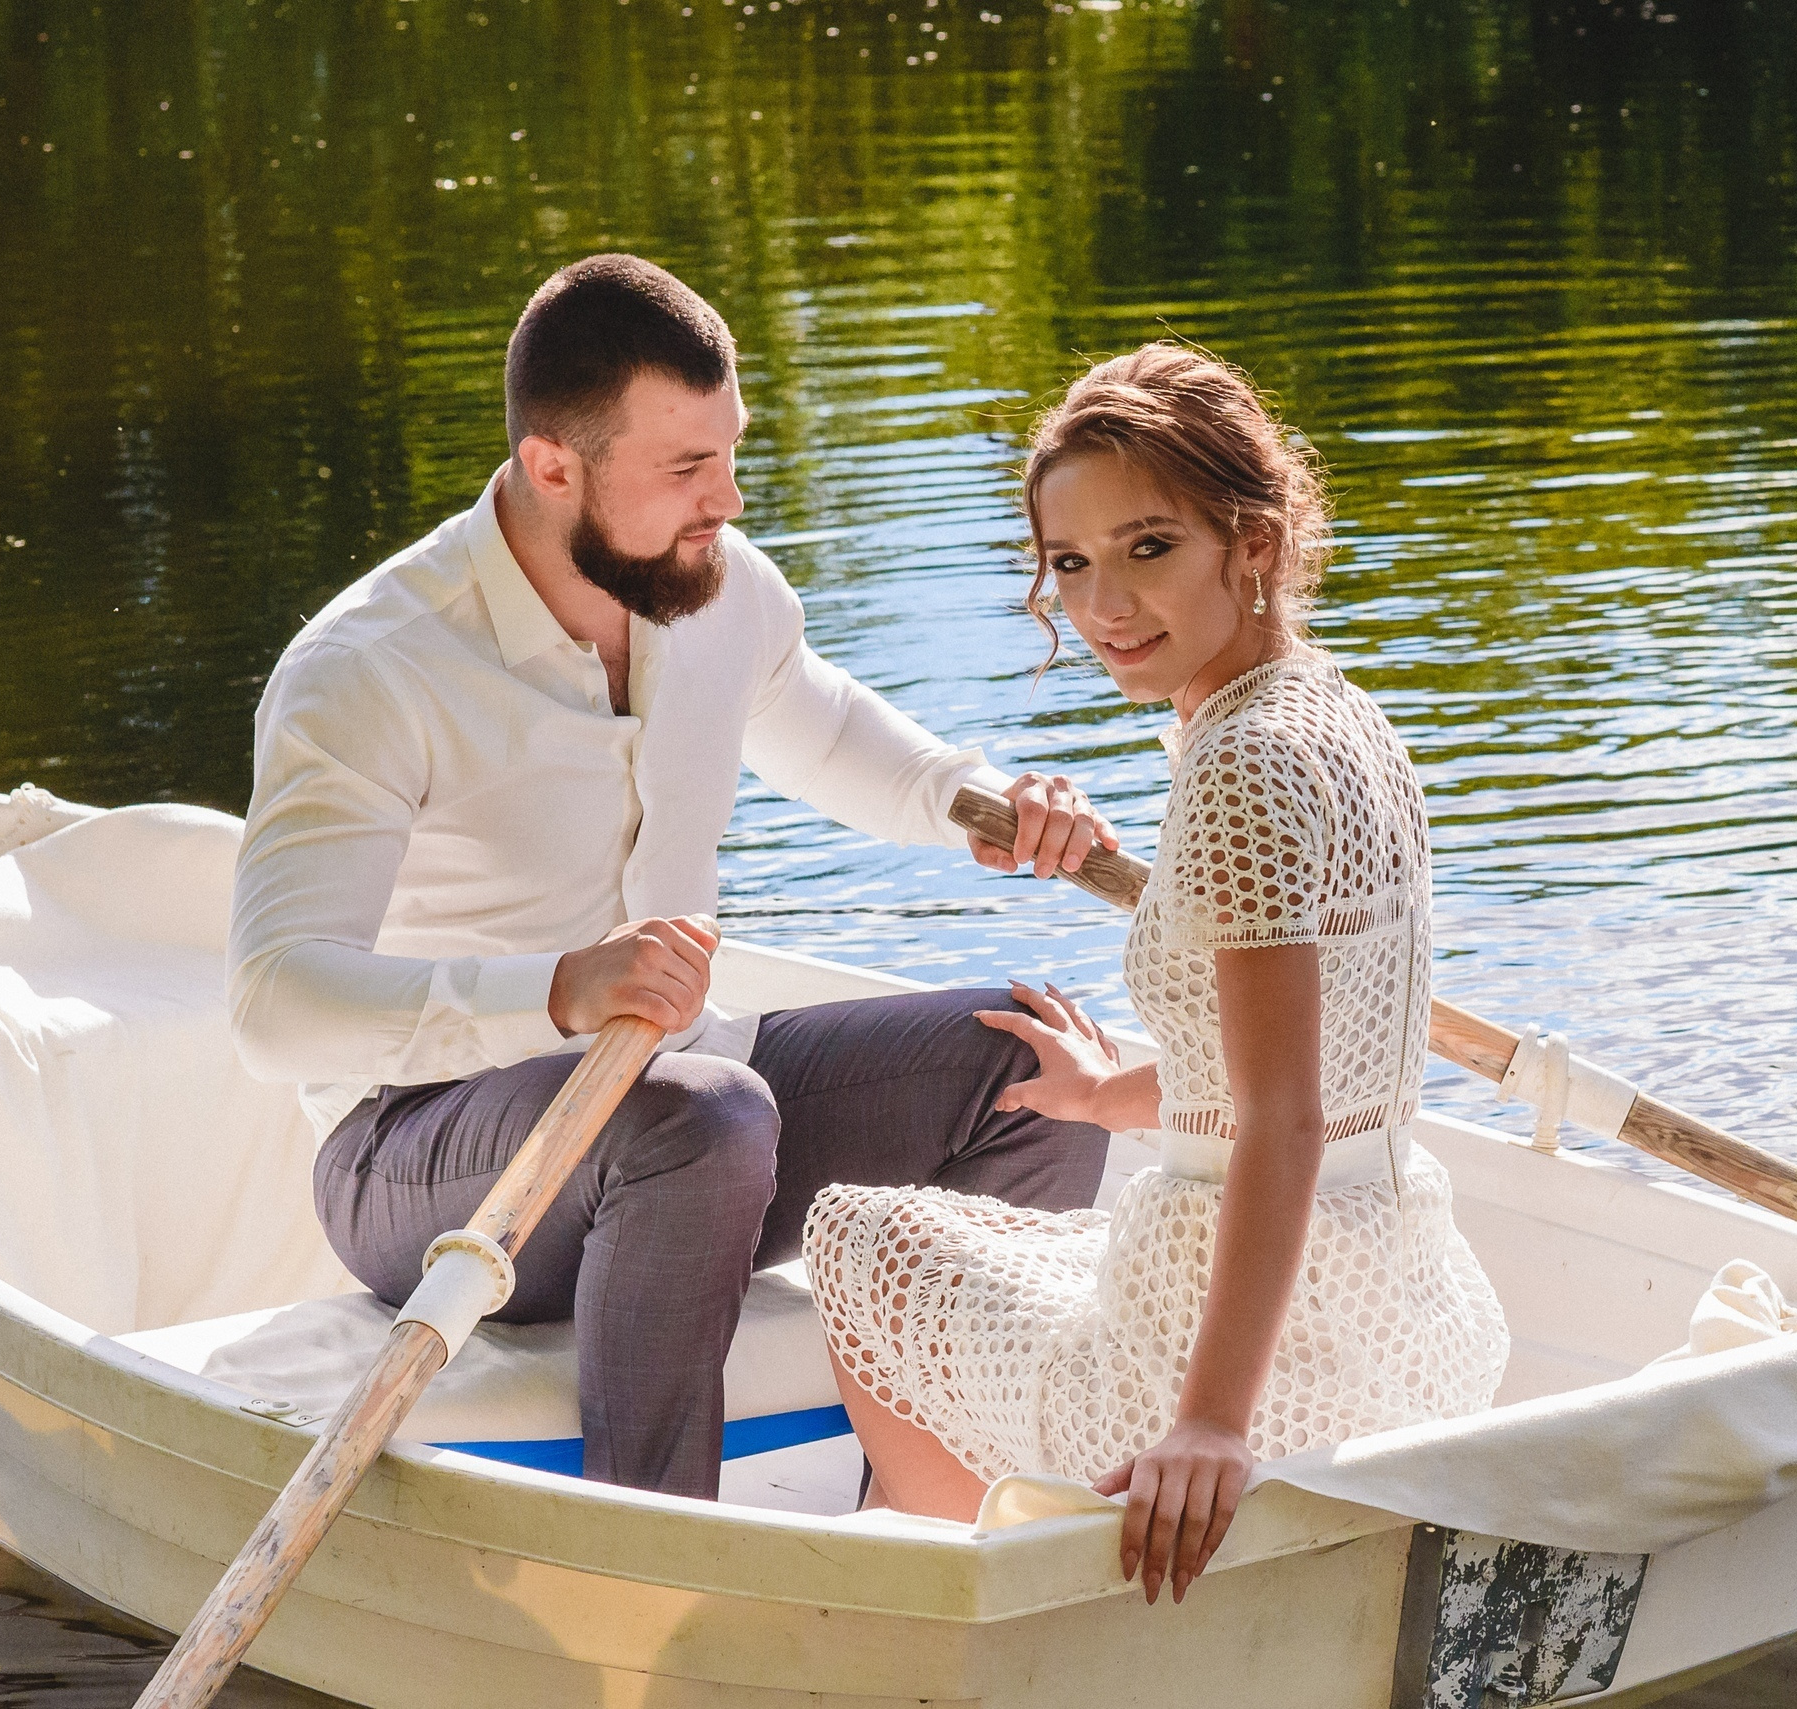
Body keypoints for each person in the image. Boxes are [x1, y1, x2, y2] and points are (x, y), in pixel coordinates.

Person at [228, 254, 1118, 1500]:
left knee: (1031, 1065)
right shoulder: (370, 668)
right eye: (687, 468)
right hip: (415, 1152)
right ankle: (657, 1559)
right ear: (553, 466)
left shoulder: (716, 590)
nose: (729, 498)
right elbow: (276, 1001)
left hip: (684, 1105)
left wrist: (986, 799)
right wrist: (557, 988)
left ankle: (931, 1527)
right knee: (699, 1112)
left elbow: (835, 732)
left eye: (730, 452)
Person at [804, 343, 1511, 1599]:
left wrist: (1211, 1423)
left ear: (1251, 538)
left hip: (1251, 1355)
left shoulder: (1237, 769)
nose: (1104, 608)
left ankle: (988, 1615)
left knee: (864, 1238)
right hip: (1403, 1301)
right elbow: (1301, 1074)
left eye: (1146, 549)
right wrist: (1104, 1094)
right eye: (1070, 565)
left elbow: (1282, 1120)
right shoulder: (1338, 714)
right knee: (998, 1240)